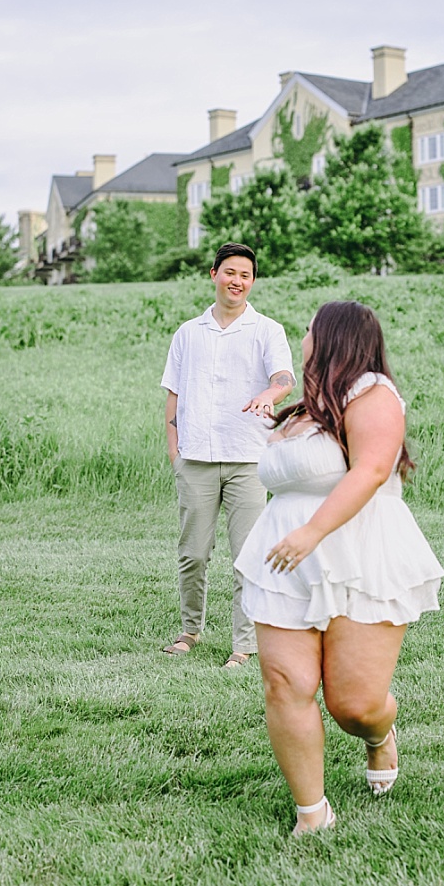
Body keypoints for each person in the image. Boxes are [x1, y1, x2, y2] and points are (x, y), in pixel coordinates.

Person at [234, 300, 444, 836]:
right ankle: (313, 814)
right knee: (286, 682)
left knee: (353, 703)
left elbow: (373, 469)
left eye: (307, 330)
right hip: (285, 560)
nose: (301, 338)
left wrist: (312, 532)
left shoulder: (371, 392)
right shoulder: (306, 407)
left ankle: (378, 735)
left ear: (331, 337)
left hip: (359, 552)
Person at [160, 243, 295, 668]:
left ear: (252, 282)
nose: (237, 281)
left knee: (246, 555)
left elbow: (285, 377)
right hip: (195, 457)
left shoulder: (266, 330)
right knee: (193, 553)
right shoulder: (188, 333)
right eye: (230, 272)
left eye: (246, 275)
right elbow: (174, 394)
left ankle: (244, 643)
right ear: (214, 273)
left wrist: (269, 393)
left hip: (247, 459)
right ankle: (190, 630)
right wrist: (174, 451)